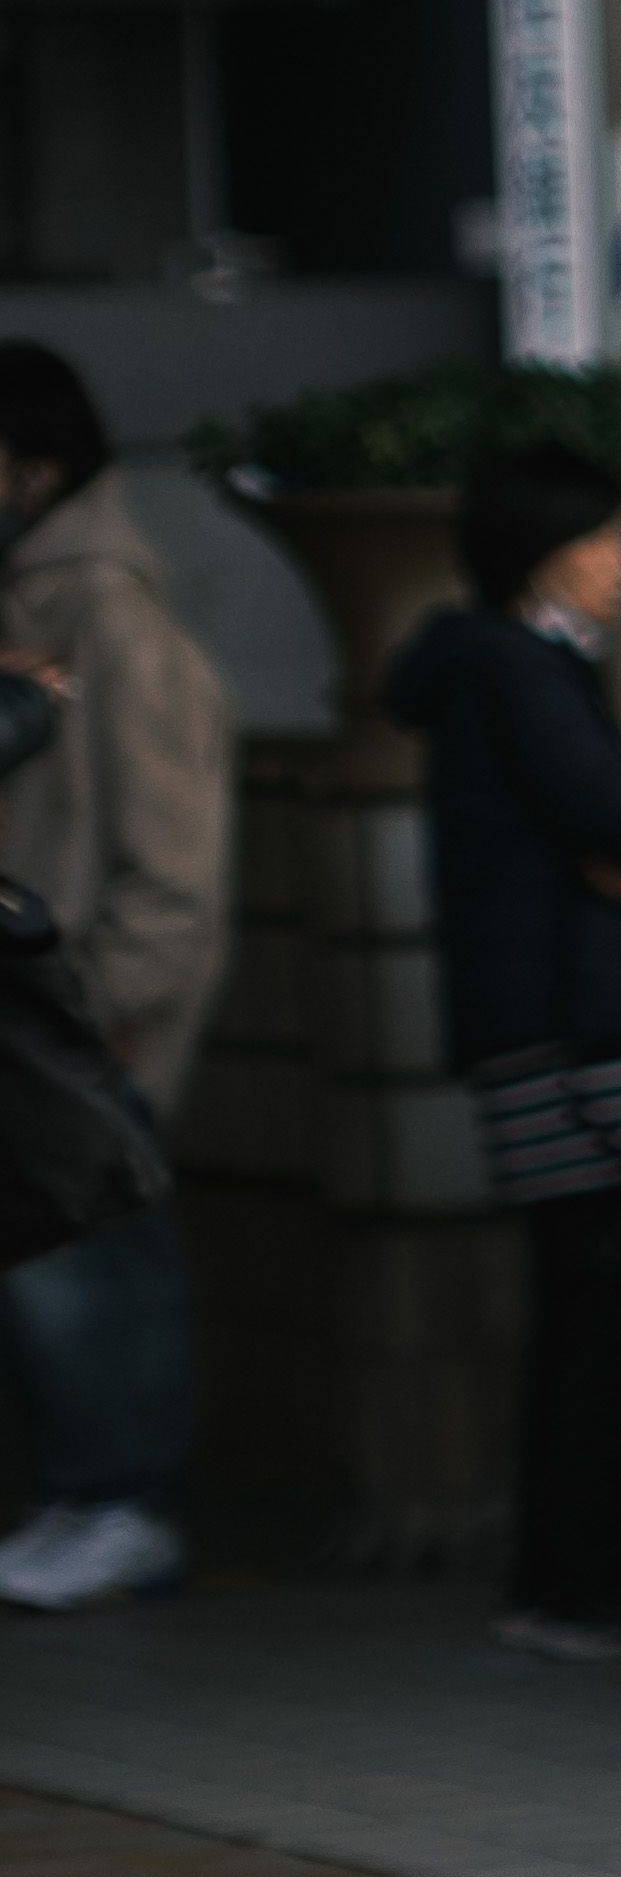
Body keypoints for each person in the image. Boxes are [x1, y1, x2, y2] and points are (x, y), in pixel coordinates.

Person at [392, 446, 621, 1658]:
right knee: (606, 1300)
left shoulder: (503, 670)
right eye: (600, 542)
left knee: (594, 1299)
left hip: (536, 1024)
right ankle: (580, 1584)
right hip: (570, 1032)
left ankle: (576, 1575)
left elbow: (609, 829)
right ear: (544, 555)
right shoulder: (520, 671)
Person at [0, 346, 230, 1613]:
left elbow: (174, 866)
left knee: (91, 1262)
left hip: (75, 1017)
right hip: (49, 1014)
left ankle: (118, 1504)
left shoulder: (108, 619)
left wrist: (118, 1010)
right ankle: (85, 1501)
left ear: (35, 466)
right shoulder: (44, 609)